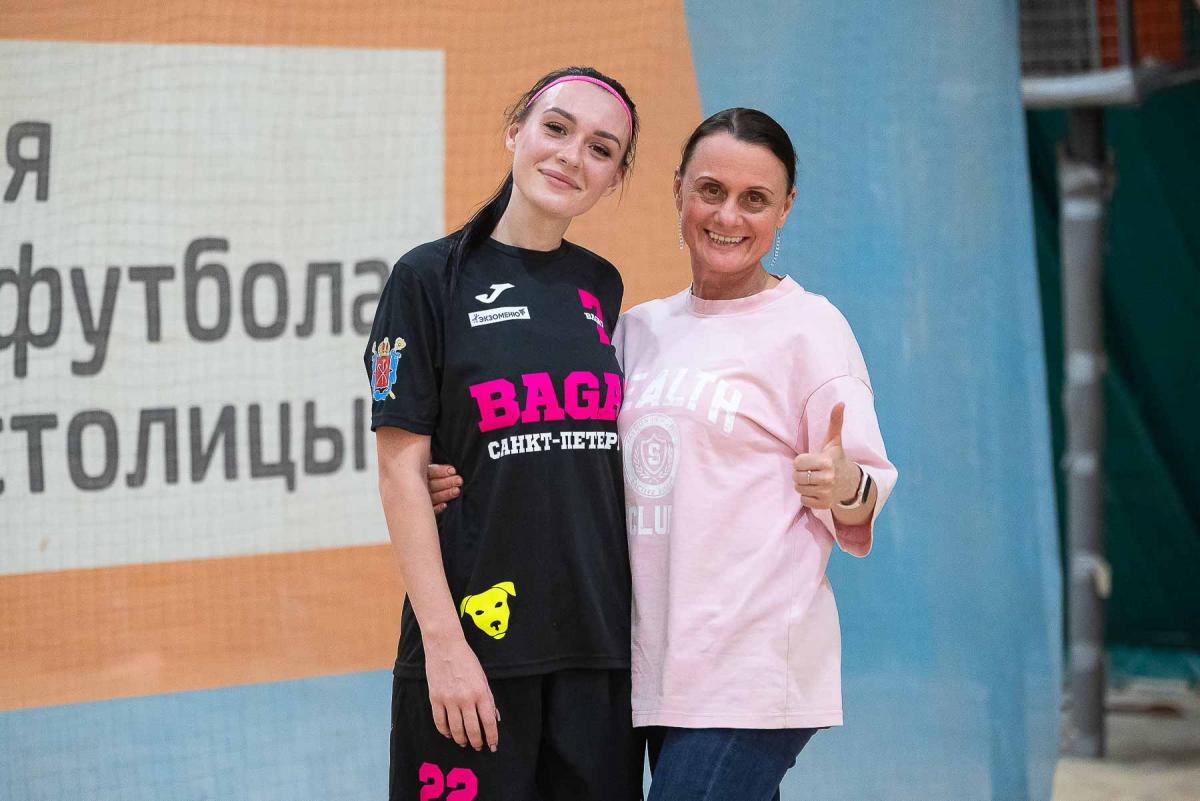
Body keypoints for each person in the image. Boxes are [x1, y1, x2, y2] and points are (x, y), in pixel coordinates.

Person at [429, 107, 897, 801]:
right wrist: (458, 473)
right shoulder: (636, 330)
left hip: (751, 669)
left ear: (786, 208)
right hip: (650, 667)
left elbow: (862, 494)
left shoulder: (810, 328)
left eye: (755, 199)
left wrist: (845, 485)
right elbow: (571, 450)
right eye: (711, 190)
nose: (728, 216)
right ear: (678, 190)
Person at [365, 66, 643, 801]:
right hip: (476, 649)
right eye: (556, 128)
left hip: (596, 651)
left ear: (614, 177)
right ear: (515, 131)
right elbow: (399, 472)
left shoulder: (603, 285)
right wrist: (444, 647)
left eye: (601, 148)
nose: (571, 155)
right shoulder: (426, 278)